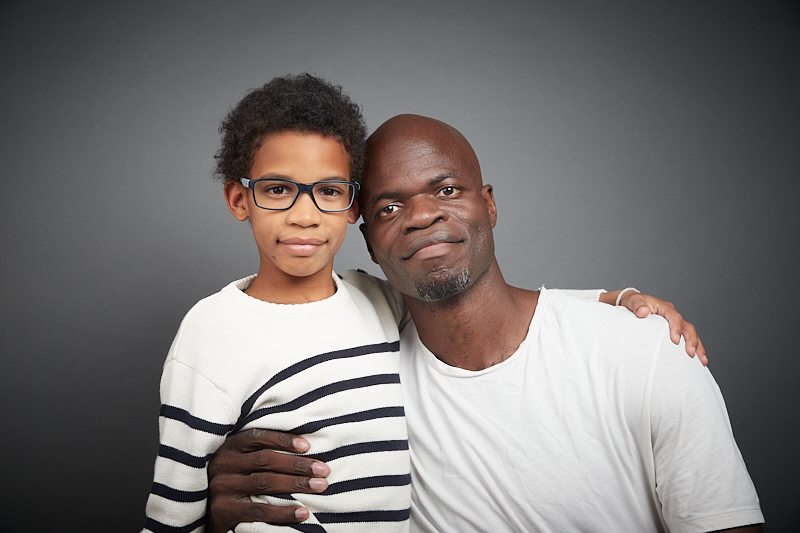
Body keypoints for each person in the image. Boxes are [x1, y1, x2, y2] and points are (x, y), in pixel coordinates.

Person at [141, 75, 680, 533]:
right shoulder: (212, 331)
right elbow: (174, 504)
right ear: (240, 199)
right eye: (278, 190)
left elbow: (486, 303)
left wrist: (617, 298)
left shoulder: (374, 301)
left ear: (350, 208)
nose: (304, 215)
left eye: (327, 192)